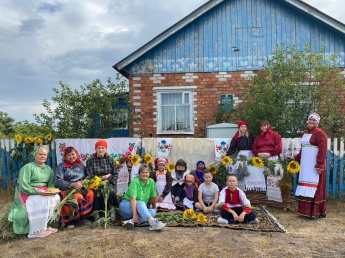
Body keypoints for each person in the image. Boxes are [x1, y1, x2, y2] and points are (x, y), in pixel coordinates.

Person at [8, 145, 60, 238]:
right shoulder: (27, 167)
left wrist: (52, 191)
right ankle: (35, 231)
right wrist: (39, 192)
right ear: (35, 156)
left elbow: (51, 184)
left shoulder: (48, 169)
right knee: (42, 200)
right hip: (28, 192)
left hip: (44, 191)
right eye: (40, 154)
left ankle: (45, 226)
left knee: (56, 197)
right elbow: (23, 186)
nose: (43, 156)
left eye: (45, 154)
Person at [286, 114, 327, 219]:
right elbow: (303, 150)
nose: (311, 121)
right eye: (310, 119)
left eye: (314, 120)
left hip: (315, 166)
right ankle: (305, 212)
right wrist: (295, 158)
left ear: (317, 122)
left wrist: (319, 165)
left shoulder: (320, 134)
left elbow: (323, 151)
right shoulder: (304, 133)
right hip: (305, 166)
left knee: (315, 187)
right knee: (305, 185)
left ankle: (315, 212)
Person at [55, 146, 94, 228]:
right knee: (77, 197)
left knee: (90, 193)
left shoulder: (81, 165)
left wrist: (83, 183)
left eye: (73, 154)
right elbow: (58, 182)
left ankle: (83, 218)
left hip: (80, 187)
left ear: (76, 154)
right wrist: (72, 185)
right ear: (65, 156)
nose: (71, 156)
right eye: (68, 155)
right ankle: (69, 221)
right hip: (68, 188)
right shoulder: (61, 166)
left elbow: (87, 177)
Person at [119, 164, 166, 231]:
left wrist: (155, 208)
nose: (144, 174)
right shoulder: (135, 182)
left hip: (138, 208)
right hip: (126, 207)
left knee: (152, 212)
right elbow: (132, 198)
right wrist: (135, 215)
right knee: (141, 203)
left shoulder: (151, 182)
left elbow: (153, 197)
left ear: (149, 173)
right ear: (139, 173)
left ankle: (130, 221)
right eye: (142, 172)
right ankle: (152, 222)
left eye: (146, 172)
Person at [85, 140, 118, 222]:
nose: (100, 150)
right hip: (96, 184)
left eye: (102, 148)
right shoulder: (90, 161)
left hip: (109, 183)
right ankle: (97, 215)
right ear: (95, 149)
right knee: (97, 194)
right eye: (98, 148)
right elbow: (90, 175)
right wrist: (103, 178)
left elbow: (115, 173)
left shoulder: (110, 160)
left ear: (105, 149)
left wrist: (107, 180)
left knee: (110, 191)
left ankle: (112, 213)